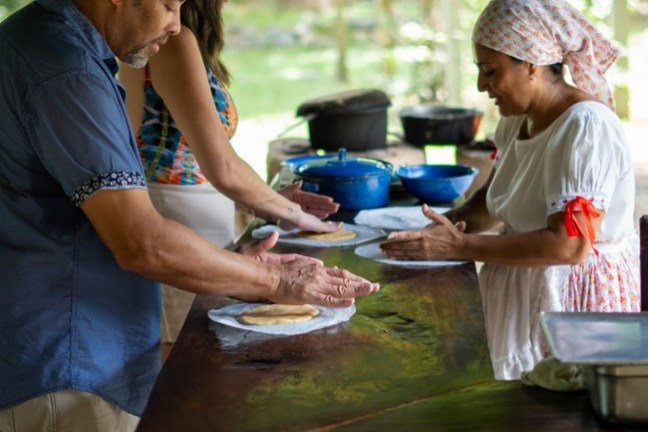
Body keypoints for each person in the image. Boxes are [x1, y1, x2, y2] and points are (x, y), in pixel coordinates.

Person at [0, 0, 379, 430]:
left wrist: (237, 264)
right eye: (167, 4)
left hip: (68, 347)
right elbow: (142, 243)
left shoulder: (44, 40)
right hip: (65, 360)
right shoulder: (64, 68)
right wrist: (278, 281)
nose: (176, 23)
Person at [380, 0, 640, 381]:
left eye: (490, 71)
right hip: (524, 283)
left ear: (531, 64)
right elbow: (493, 202)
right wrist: (438, 229)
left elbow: (569, 246)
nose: (482, 85)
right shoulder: (517, 120)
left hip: (575, 305)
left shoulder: (585, 127)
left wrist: (458, 246)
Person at [118, 0, 342, 360]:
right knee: (185, 367)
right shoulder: (175, 43)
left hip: (190, 213)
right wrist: (295, 214)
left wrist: (268, 201)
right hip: (178, 218)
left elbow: (195, 159)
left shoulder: (166, 42)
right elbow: (223, 167)